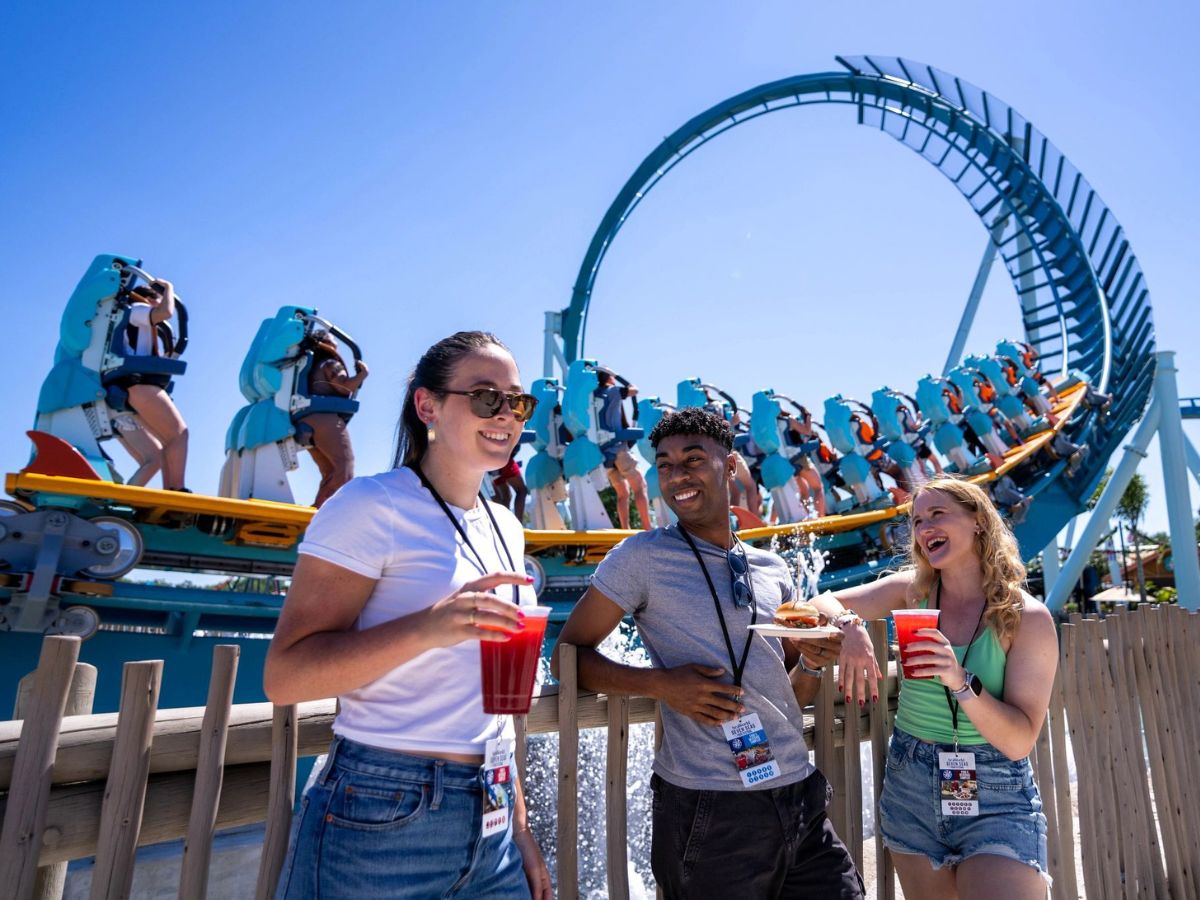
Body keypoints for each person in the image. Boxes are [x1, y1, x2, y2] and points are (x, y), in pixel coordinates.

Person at [264, 331, 551, 899]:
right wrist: (428, 628)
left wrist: (519, 827)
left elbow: (490, 712)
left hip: (492, 817)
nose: (506, 414)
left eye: (517, 402)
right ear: (428, 406)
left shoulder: (505, 526)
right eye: (486, 397)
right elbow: (286, 676)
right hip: (380, 809)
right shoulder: (371, 504)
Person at [552, 408, 864, 899]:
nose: (678, 475)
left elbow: (788, 693)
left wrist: (810, 661)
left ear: (731, 465)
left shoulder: (772, 568)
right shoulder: (640, 557)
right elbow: (567, 655)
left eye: (694, 460)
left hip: (797, 793)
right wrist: (659, 685)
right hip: (709, 809)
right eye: (665, 465)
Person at [813, 476, 1057, 899]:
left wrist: (960, 680)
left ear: (978, 520)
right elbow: (819, 601)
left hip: (995, 789)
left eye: (937, 514)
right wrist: (849, 626)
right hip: (912, 783)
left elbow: (1019, 740)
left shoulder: (1025, 617)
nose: (925, 528)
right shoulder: (914, 592)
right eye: (917, 521)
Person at [119, 281, 189, 490]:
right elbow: (165, 312)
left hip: (137, 384)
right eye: (158, 300)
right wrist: (168, 288)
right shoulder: (137, 309)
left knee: (167, 442)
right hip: (140, 383)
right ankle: (176, 490)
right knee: (179, 434)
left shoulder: (140, 321)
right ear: (149, 300)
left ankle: (169, 491)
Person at [305, 331, 370, 508]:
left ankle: (316, 510)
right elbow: (344, 386)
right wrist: (362, 374)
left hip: (308, 420)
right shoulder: (330, 363)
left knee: (330, 472)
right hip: (326, 421)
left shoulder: (311, 366)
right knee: (344, 468)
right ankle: (326, 513)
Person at [595, 370, 651, 529]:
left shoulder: (594, 396)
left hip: (605, 453)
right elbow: (634, 390)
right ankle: (647, 527)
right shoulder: (613, 391)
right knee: (640, 486)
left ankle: (625, 529)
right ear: (608, 377)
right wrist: (618, 376)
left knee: (623, 493)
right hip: (619, 449)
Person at [492, 447, 529, 522]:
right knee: (521, 491)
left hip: (491, 463)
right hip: (502, 456)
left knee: (506, 497)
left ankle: (504, 524)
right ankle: (518, 524)